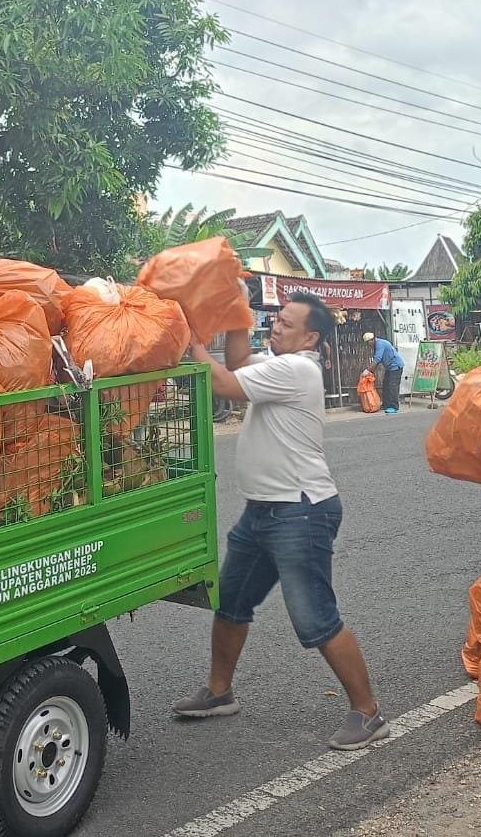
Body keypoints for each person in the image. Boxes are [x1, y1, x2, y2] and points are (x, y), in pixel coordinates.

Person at [173, 292, 393, 751]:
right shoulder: (278, 364)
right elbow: (237, 360)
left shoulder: (297, 369)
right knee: (231, 602)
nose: (276, 327)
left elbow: (225, 382)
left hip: (300, 512)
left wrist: (189, 337)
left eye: (287, 324)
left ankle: (368, 712)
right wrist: (235, 313)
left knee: (316, 618)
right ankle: (219, 692)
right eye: (276, 319)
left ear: (310, 337)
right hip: (262, 512)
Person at [366, 330, 404, 414]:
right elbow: (377, 360)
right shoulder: (377, 345)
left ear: (373, 340)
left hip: (396, 366)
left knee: (392, 386)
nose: (369, 345)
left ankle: (394, 406)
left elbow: (377, 359)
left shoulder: (380, 344)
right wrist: (371, 371)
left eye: (369, 343)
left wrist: (368, 370)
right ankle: (386, 404)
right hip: (389, 368)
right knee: (386, 385)